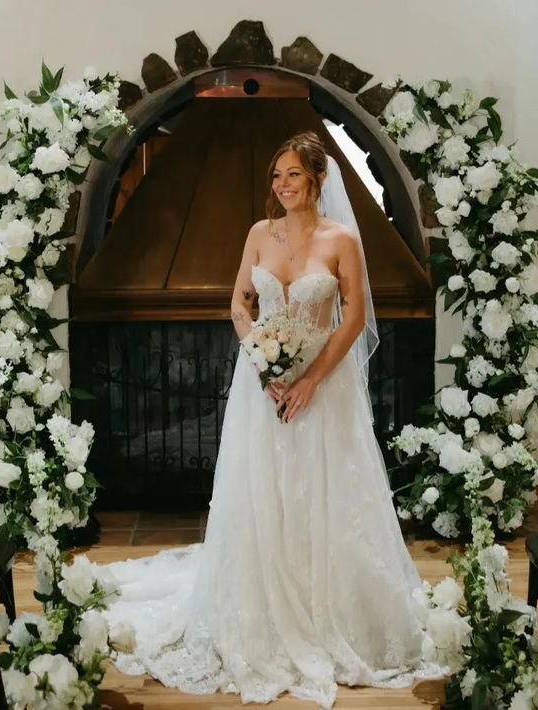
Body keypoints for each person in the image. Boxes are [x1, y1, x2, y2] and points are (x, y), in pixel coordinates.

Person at [103, 131, 441, 708]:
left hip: (324, 388)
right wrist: (259, 351)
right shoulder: (259, 234)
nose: (283, 185)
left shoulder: (340, 240)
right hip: (261, 387)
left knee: (321, 492)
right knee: (261, 490)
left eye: (294, 175)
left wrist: (309, 379)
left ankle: (327, 611)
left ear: (317, 180)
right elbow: (238, 301)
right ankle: (256, 599)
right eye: (276, 176)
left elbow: (355, 318)